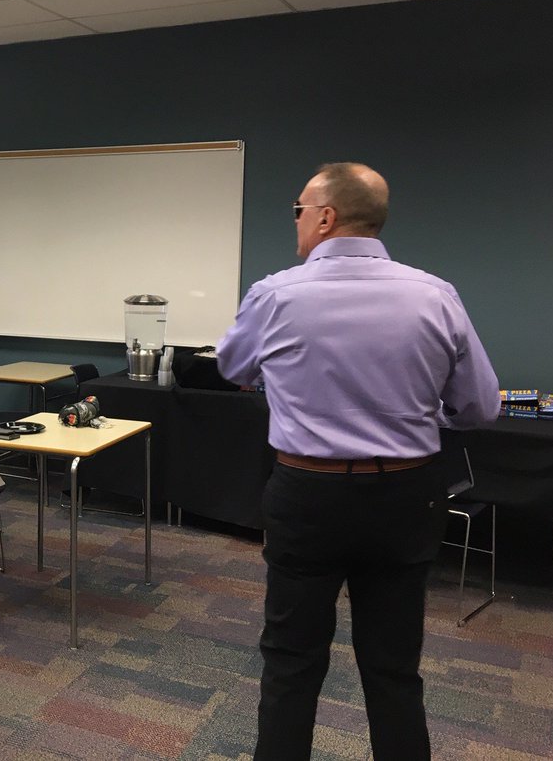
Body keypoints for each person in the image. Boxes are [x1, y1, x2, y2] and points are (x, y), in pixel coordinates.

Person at [216, 162, 500, 760]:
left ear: (325, 216)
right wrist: (417, 416)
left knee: (291, 663)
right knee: (395, 668)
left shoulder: (275, 295)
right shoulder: (436, 295)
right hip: (407, 495)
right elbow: (479, 407)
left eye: (298, 210)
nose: (295, 223)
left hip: (307, 493)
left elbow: (232, 369)